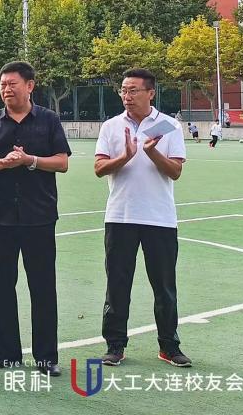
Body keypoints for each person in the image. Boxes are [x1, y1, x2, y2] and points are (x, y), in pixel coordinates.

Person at [0, 61, 71, 377]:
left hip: (39, 216)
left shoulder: (49, 120)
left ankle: (46, 357)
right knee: (1, 286)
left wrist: (29, 160)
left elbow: (62, 162)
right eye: (3, 85)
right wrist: (3, 163)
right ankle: (5, 354)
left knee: (42, 287)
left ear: (30, 86)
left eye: (12, 84)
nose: (6, 89)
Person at [95, 69, 191, 368]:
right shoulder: (112, 126)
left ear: (151, 93)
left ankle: (169, 346)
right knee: (117, 284)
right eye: (124, 90)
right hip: (120, 216)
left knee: (164, 286)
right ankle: (115, 345)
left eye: (133, 90)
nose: (127, 96)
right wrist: (125, 156)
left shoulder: (168, 125)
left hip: (159, 218)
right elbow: (99, 168)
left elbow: (175, 171)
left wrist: (152, 153)